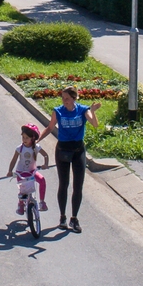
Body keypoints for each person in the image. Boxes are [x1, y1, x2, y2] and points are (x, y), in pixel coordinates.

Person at [36, 86, 101, 233]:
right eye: (63, 98)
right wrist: (36, 140)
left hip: (78, 151)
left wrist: (94, 111)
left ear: (74, 98)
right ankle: (63, 217)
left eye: (67, 98)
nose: (64, 101)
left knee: (78, 186)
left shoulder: (83, 110)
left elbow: (95, 124)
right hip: (62, 151)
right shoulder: (58, 111)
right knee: (63, 184)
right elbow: (50, 127)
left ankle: (74, 218)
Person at [6, 124, 50, 214]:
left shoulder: (36, 147)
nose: (24, 140)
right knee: (23, 190)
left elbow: (45, 155)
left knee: (42, 180)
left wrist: (46, 164)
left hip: (32, 171)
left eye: (26, 138)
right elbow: (14, 160)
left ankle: (42, 202)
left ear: (32, 138)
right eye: (23, 137)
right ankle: (21, 204)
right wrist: (10, 171)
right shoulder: (19, 148)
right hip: (21, 173)